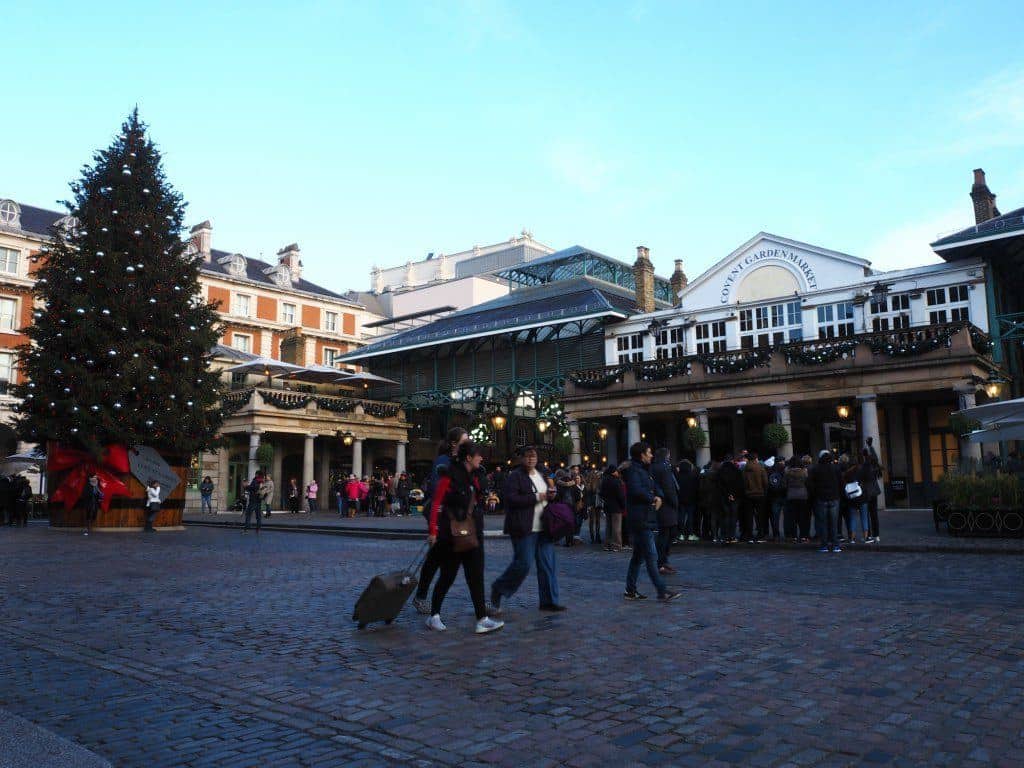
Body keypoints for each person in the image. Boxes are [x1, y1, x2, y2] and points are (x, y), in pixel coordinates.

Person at [425, 441, 504, 634]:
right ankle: (434, 615)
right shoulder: (449, 474)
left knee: (476, 575)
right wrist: (433, 531)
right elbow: (436, 503)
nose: (481, 458)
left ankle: (482, 619)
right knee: (448, 576)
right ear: (468, 457)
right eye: (478, 454)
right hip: (452, 534)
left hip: (473, 531)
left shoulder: (476, 476)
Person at [490, 446, 563, 614]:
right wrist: (537, 497)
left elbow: (547, 495)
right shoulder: (515, 476)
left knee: (547, 565)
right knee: (523, 564)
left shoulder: (541, 475)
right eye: (527, 456)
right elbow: (511, 499)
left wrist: (551, 495)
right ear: (521, 459)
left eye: (533, 456)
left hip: (544, 526)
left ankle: (549, 600)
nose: (531, 459)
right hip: (524, 527)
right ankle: (499, 588)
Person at [413, 427, 469, 615]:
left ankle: (480, 604)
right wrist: (434, 528)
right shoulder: (443, 462)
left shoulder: (461, 462)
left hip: (456, 517)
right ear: (454, 444)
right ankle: (421, 597)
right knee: (435, 559)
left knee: (458, 560)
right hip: (443, 516)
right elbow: (438, 493)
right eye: (464, 441)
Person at [621, 442, 680, 602]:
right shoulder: (634, 471)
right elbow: (635, 490)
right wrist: (652, 497)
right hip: (640, 520)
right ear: (642, 455)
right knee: (651, 557)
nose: (651, 455)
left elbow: (656, 486)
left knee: (637, 558)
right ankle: (662, 591)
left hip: (646, 518)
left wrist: (659, 495)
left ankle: (630, 590)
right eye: (648, 452)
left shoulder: (645, 470)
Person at [650, 447, 679, 575]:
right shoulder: (664, 468)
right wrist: (675, 502)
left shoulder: (654, 467)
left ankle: (662, 561)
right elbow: (668, 488)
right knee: (666, 535)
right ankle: (661, 562)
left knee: (666, 534)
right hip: (667, 505)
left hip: (661, 504)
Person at [807, 450, 842, 552]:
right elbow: (841, 482)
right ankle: (835, 545)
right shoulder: (835, 469)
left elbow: (809, 483)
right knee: (834, 523)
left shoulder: (815, 469)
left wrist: (815, 494)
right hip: (834, 498)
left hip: (821, 498)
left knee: (823, 523)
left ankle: (824, 545)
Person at [716, 455, 744, 544]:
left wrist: (727, 494)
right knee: (733, 517)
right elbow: (740, 485)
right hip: (735, 497)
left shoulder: (720, 471)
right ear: (732, 461)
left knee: (725, 516)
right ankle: (732, 535)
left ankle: (724, 535)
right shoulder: (737, 471)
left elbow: (719, 486)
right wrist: (733, 495)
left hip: (724, 497)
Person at [742, 452, 768, 542]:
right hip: (760, 494)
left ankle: (749, 535)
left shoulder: (745, 469)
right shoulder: (760, 467)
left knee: (748, 516)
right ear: (755, 458)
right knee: (760, 515)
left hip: (748, 495)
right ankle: (760, 534)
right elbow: (765, 482)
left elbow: (743, 482)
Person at [600, 464, 626, 551]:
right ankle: (616, 545)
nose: (617, 472)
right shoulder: (616, 481)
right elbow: (620, 495)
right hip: (616, 507)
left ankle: (607, 544)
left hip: (607, 506)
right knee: (616, 527)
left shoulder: (604, 481)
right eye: (616, 471)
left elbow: (601, 494)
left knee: (608, 527)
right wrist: (623, 505)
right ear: (613, 472)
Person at [785, 456, 810, 542]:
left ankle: (794, 536)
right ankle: (803, 535)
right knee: (803, 517)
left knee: (792, 517)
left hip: (791, 495)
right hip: (803, 495)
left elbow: (785, 483)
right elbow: (807, 482)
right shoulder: (804, 472)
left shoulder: (787, 472)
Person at [676, 459, 699, 542]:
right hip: (691, 499)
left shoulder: (677, 476)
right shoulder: (693, 476)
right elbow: (696, 488)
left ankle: (680, 534)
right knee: (690, 517)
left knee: (681, 516)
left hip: (680, 499)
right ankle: (690, 534)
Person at [699, 460, 723, 543]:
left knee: (711, 517)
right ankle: (718, 534)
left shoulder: (705, 475)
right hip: (719, 498)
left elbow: (702, 488)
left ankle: (714, 535)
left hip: (708, 498)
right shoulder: (720, 475)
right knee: (719, 517)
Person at [766, 456, 787, 542]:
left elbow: (768, 483)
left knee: (775, 517)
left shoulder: (770, 470)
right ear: (781, 462)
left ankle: (776, 534)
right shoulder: (785, 470)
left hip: (774, 496)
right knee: (787, 516)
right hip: (784, 495)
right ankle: (787, 534)